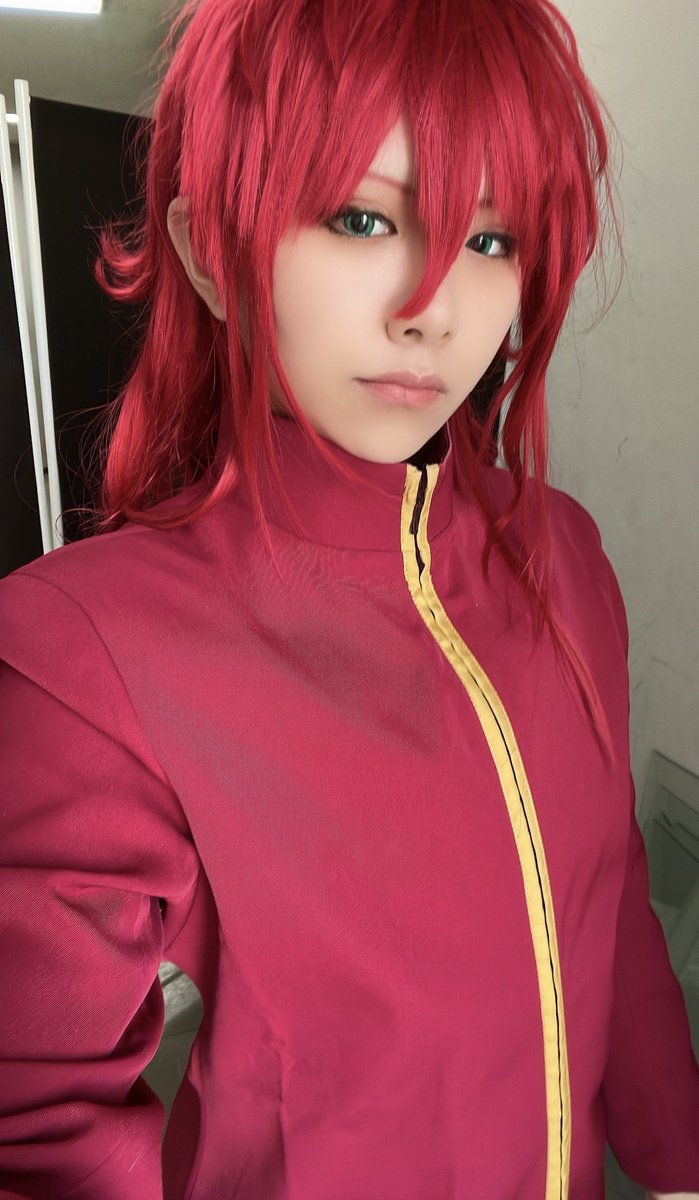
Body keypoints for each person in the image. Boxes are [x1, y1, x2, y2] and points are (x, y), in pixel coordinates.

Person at [0, 0, 698, 1196]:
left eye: (491, 238)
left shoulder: (565, 555)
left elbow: (608, 897)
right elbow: (29, 1122)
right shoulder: (86, 652)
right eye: (363, 217)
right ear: (210, 251)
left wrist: (679, 1161)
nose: (434, 307)